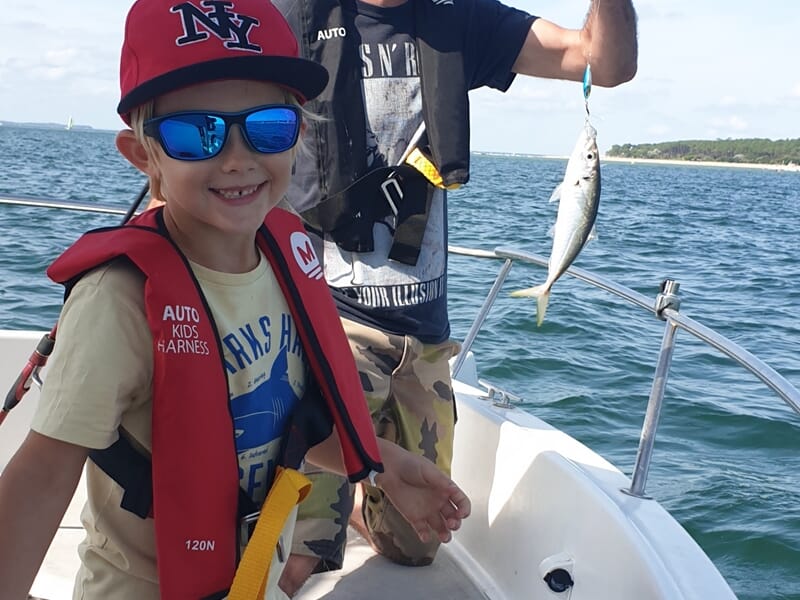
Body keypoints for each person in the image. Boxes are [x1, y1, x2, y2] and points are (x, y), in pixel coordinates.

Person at [0, 0, 471, 598]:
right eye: (198, 133)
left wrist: (385, 466)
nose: (238, 157)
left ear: (298, 134)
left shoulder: (286, 261)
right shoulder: (118, 302)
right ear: (143, 154)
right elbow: (42, 476)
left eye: (269, 126)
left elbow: (275, 425)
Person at [271, 0, 639, 595]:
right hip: (326, 321)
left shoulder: (460, 21)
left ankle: (370, 485)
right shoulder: (291, 18)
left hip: (424, 336)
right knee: (299, 554)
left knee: (418, 547)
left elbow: (604, 62)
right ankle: (340, 496)